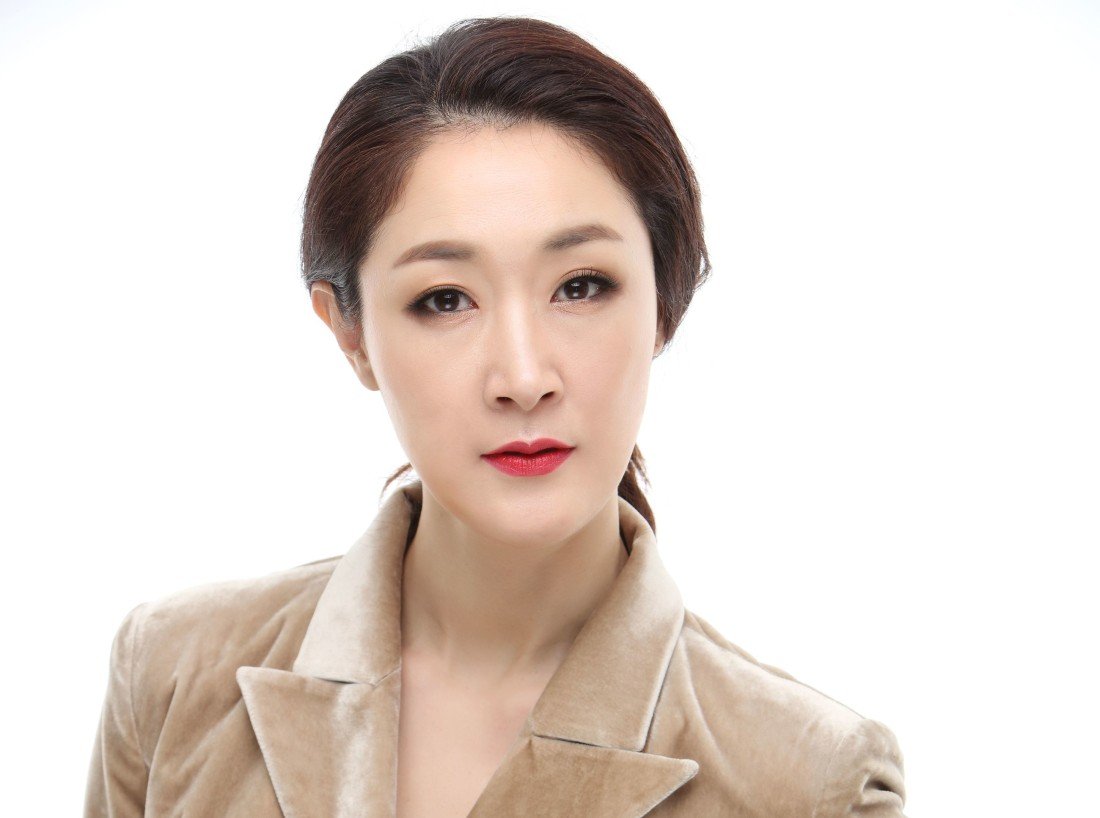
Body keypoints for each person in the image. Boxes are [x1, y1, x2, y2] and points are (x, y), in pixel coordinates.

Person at [84, 16, 907, 818]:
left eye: (580, 286)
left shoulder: (808, 783)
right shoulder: (173, 676)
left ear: (665, 303)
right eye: (445, 299)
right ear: (350, 334)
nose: (523, 378)